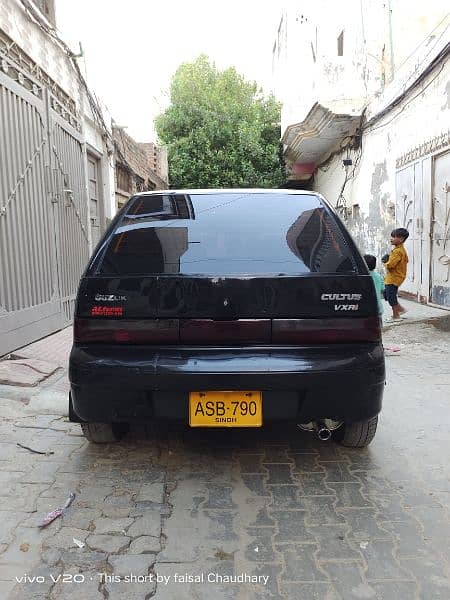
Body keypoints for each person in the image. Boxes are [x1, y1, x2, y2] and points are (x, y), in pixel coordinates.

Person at [381, 228, 409, 320]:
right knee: (387, 294)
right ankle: (400, 309)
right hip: (395, 277)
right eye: (391, 236)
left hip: (393, 278)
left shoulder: (397, 251)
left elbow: (391, 265)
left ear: (401, 239)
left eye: (394, 237)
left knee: (391, 297)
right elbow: (406, 261)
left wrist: (385, 262)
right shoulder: (401, 250)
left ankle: (396, 315)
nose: (391, 238)